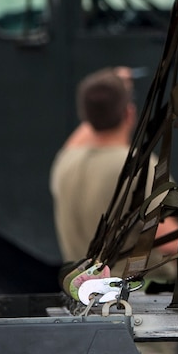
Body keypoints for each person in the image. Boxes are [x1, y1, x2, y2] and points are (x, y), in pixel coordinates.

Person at [50, 66, 137, 262]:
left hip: (83, 284)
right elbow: (170, 241)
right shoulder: (135, 165)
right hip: (136, 287)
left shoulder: (65, 163)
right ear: (129, 114)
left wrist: (111, 94)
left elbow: (83, 135)